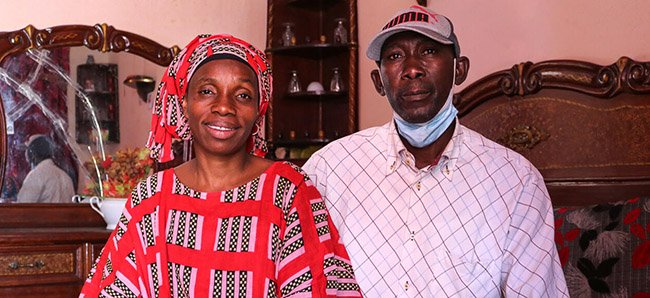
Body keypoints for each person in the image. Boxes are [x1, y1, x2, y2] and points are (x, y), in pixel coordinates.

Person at [303, 5, 569, 297]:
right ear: (379, 82)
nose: (412, 68)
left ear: (460, 69)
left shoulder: (515, 181)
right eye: (394, 56)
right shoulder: (329, 169)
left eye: (429, 51)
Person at [79, 34, 361, 298]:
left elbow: (317, 286)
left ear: (258, 110)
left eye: (242, 95)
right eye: (207, 91)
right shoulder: (151, 197)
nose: (224, 106)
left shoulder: (287, 190)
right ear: (184, 104)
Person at [17, 134, 74, 203]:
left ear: (32, 154)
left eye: (26, 150)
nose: (25, 154)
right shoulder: (65, 177)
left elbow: (22, 206)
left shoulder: (36, 175)